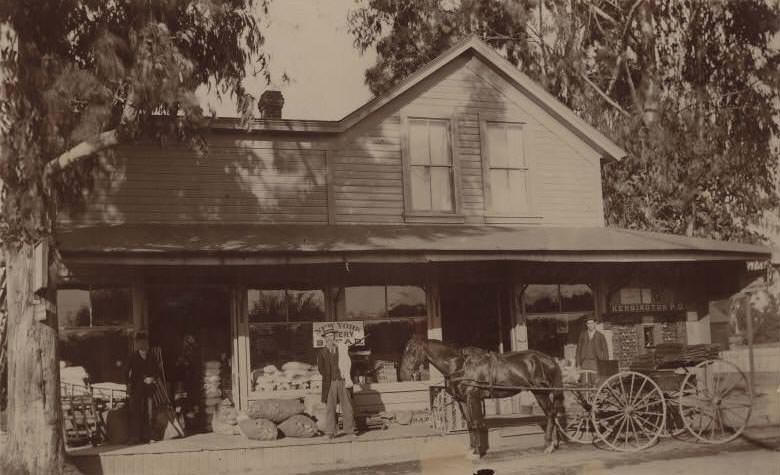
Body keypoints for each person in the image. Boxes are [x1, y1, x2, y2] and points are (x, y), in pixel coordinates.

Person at [316, 329, 356, 439]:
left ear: (334, 337)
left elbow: (349, 364)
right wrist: (329, 375)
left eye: (331, 336)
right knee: (330, 408)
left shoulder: (342, 349)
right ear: (325, 338)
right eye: (327, 336)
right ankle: (330, 432)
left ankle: (350, 430)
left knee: (347, 406)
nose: (330, 338)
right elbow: (321, 369)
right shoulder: (322, 352)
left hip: (343, 381)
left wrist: (345, 375)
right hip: (330, 383)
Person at [126, 334, 160, 444]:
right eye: (140, 342)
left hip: (149, 390)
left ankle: (147, 436)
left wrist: (152, 378)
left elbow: (157, 371)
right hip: (136, 390)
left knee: (148, 413)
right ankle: (135, 437)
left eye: (144, 342)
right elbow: (126, 373)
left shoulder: (152, 356)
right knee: (135, 413)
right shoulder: (132, 357)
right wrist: (129, 385)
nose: (142, 344)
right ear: (137, 344)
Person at [575, 317, 608, 384]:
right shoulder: (583, 335)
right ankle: (585, 394)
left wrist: (604, 364)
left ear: (595, 323)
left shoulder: (600, 336)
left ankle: (595, 394)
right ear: (586, 324)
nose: (590, 325)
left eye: (592, 323)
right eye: (588, 323)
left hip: (595, 362)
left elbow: (605, 351)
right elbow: (578, 350)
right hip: (584, 362)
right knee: (584, 383)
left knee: (596, 382)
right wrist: (578, 364)